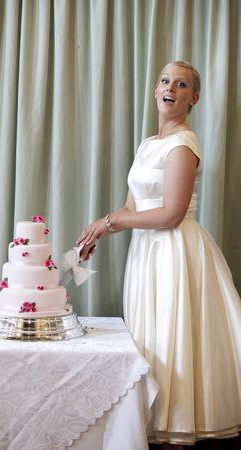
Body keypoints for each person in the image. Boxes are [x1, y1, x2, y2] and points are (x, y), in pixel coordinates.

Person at [76, 61, 241, 449]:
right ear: (155, 90)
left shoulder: (184, 144)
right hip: (146, 253)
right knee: (149, 339)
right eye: (165, 80)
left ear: (193, 98)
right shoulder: (149, 144)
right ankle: (146, 424)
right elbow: (134, 203)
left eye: (181, 84)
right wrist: (103, 226)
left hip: (175, 254)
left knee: (172, 338)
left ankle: (176, 426)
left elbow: (170, 214)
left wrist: (112, 221)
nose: (171, 87)